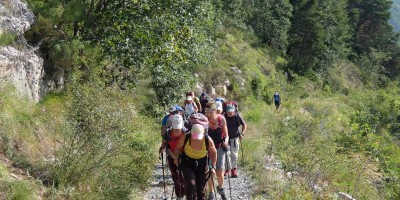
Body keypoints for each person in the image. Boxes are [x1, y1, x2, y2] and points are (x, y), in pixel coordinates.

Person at [175, 124, 217, 200]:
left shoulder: (207, 139)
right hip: (187, 163)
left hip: (202, 164)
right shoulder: (186, 137)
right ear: (191, 132)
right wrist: (176, 158)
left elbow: (214, 153)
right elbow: (177, 148)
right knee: (191, 184)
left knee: (201, 189)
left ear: (203, 133)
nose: (197, 138)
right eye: (195, 135)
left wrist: (213, 167)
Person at [205, 103, 229, 200]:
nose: (209, 114)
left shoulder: (221, 119)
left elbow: (227, 135)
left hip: (220, 147)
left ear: (216, 111)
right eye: (208, 112)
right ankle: (211, 193)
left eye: (211, 112)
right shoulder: (205, 120)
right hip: (209, 149)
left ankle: (220, 188)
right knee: (210, 171)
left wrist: (226, 142)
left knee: (219, 171)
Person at [159, 115, 186, 199]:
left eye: (178, 128)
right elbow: (164, 143)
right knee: (175, 176)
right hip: (171, 155)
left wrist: (179, 155)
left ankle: (184, 193)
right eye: (175, 128)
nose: (177, 130)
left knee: (183, 176)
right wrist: (162, 148)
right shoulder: (167, 132)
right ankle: (179, 195)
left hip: (184, 156)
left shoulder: (185, 132)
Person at [224, 105, 247, 177]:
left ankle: (234, 169)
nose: (230, 113)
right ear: (226, 111)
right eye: (228, 112)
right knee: (227, 154)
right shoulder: (223, 117)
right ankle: (227, 169)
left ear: (234, 111)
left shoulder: (237, 116)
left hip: (235, 138)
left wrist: (242, 134)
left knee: (234, 154)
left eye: (231, 111)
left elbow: (244, 125)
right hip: (225, 138)